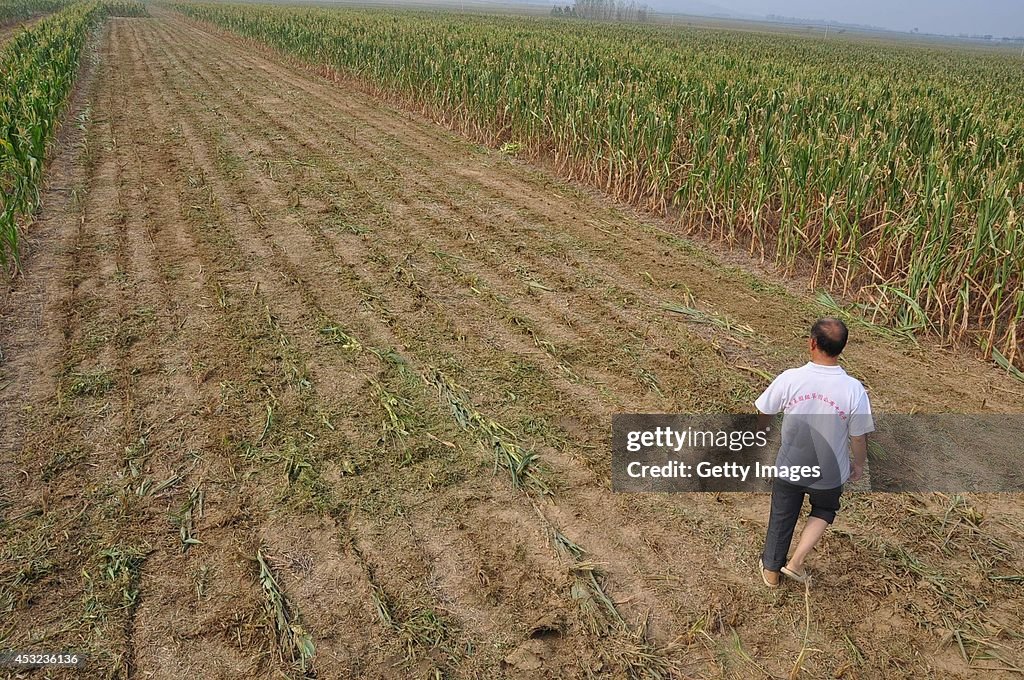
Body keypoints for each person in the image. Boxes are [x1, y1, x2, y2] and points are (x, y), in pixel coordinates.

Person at [754, 318, 874, 587]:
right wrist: (858, 464)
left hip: (791, 466)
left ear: (812, 344)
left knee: (782, 515)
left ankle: (771, 572)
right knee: (825, 508)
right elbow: (858, 436)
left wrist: (761, 432)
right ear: (841, 348)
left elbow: (766, 410)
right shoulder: (854, 390)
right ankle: (796, 563)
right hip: (830, 473)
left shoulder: (791, 378)